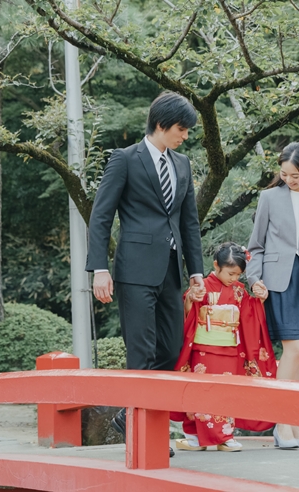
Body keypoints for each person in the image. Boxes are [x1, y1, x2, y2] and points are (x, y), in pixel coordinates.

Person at [86, 91, 205, 456]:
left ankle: (128, 414)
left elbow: (189, 223)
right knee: (140, 352)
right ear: (160, 124)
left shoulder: (182, 164)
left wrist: (196, 272)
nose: (185, 136)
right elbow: (101, 215)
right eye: (181, 129)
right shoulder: (124, 160)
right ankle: (144, 433)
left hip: (170, 271)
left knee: (170, 349)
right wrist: (99, 269)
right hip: (134, 270)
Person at [246, 142, 299, 449]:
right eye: (284, 174)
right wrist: (254, 279)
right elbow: (255, 246)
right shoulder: (269, 198)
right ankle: (281, 423)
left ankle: (295, 423)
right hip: (277, 282)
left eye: (295, 175)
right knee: (293, 348)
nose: (288, 179)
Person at [170, 242, 277, 452]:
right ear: (216, 265)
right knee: (202, 391)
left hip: (230, 349)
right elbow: (188, 312)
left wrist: (260, 299)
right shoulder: (203, 286)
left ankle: (224, 435)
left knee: (227, 391)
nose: (234, 279)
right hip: (204, 349)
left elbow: (248, 315)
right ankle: (195, 436)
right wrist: (191, 299)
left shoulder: (239, 291)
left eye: (238, 275)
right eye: (230, 273)